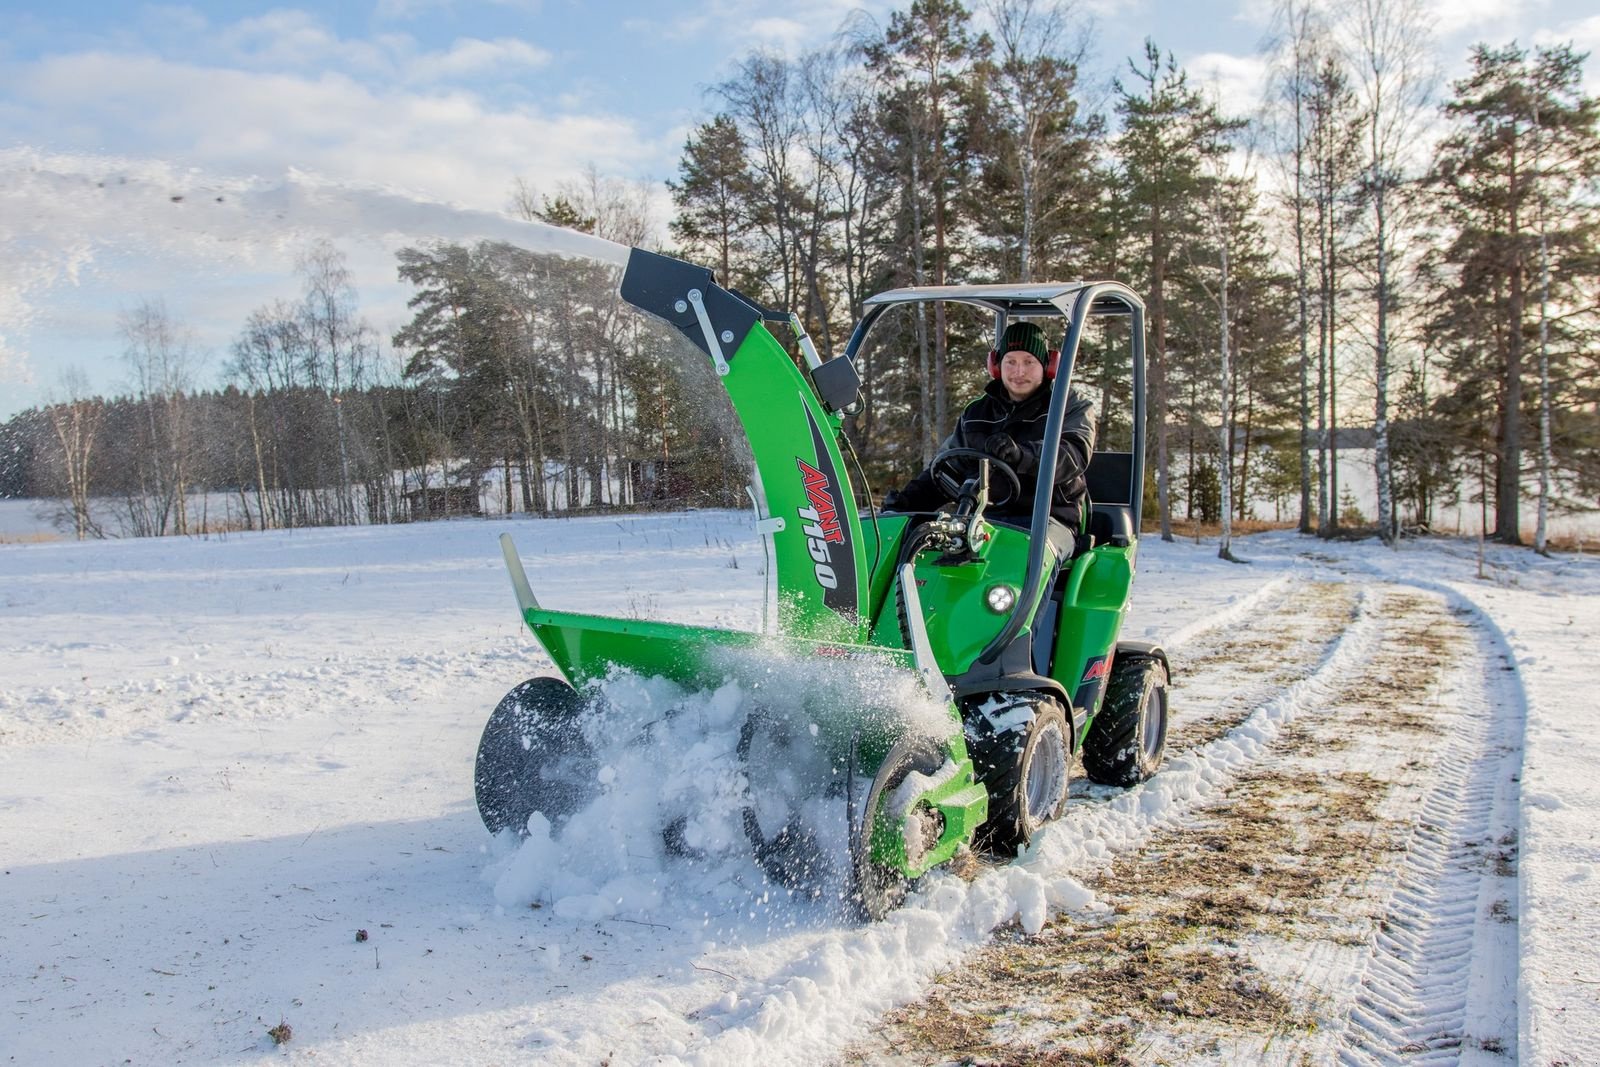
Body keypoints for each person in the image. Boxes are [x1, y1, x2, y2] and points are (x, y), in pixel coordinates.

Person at [883, 320, 1096, 542]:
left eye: (1028, 361)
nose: (1019, 371)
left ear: (1048, 365)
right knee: (925, 548)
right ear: (996, 366)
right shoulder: (977, 412)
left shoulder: (1068, 406)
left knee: (1023, 554)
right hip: (985, 520)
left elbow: (1073, 454)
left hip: (1050, 520)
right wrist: (906, 502)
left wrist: (1022, 456)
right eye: (1011, 362)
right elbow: (948, 468)